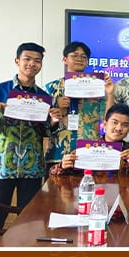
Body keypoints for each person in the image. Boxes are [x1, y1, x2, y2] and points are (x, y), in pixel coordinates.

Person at [0, 42, 62, 209]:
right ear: (17, 61)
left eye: (37, 60)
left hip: (31, 166)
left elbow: (46, 131)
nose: (32, 64)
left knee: (28, 217)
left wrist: (53, 121)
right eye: (27, 59)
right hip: (2, 165)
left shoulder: (43, 96)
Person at [44, 42, 113, 175]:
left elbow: (107, 118)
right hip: (59, 154)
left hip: (89, 153)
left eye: (83, 57)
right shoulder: (51, 88)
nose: (80, 59)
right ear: (65, 59)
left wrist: (110, 93)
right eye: (75, 55)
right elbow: (44, 126)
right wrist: (56, 107)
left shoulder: (96, 87)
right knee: (55, 194)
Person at [60, 103, 129, 175]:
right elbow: (57, 173)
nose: (119, 128)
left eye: (124, 125)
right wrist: (63, 166)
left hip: (121, 193)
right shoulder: (87, 147)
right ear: (105, 124)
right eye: (115, 122)